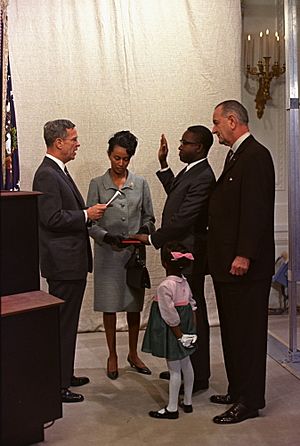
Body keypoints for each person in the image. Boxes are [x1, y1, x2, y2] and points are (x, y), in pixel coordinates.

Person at [132, 126, 216, 392]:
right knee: (181, 312)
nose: (180, 147)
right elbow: (178, 195)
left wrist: (153, 239)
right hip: (180, 251)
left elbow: (185, 218)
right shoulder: (192, 170)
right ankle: (184, 369)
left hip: (189, 254)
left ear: (199, 148)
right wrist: (164, 165)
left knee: (191, 314)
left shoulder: (204, 175)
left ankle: (198, 375)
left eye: (185, 143)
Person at [208, 100, 275, 424]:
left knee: (247, 335)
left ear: (232, 121)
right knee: (233, 332)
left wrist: (244, 254)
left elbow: (256, 211)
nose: (214, 128)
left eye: (217, 122)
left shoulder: (256, 156)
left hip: (244, 267)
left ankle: (250, 400)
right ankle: (237, 389)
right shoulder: (237, 156)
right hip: (229, 265)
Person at [33, 119, 106, 403]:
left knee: (68, 322)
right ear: (58, 142)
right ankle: (59, 384)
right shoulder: (47, 174)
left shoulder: (57, 171)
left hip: (69, 262)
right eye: (73, 139)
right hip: (62, 263)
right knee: (63, 324)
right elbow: (50, 218)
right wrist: (86, 215)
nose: (77, 144)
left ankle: (65, 373)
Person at [86, 130, 155, 380]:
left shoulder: (141, 183)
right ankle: (112, 354)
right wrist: (106, 236)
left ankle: (133, 353)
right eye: (117, 158)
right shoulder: (97, 184)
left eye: (126, 159)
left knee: (133, 305)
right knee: (110, 305)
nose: (121, 163)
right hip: (107, 254)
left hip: (132, 255)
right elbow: (90, 223)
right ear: (109, 155)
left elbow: (149, 217)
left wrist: (146, 229)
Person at [143, 241, 197, 419]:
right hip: (186, 326)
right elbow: (191, 305)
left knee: (174, 369)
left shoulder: (165, 286)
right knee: (186, 364)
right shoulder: (184, 282)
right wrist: (191, 330)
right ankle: (187, 402)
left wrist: (179, 335)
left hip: (174, 331)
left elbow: (169, 314)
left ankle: (172, 408)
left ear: (164, 263)